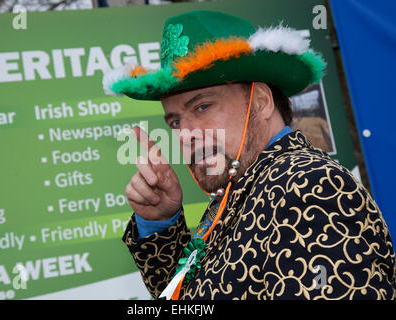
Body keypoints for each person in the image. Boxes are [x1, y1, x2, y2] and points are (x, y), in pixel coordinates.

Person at [105, 10, 396, 299]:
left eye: (202, 107)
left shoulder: (306, 185)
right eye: (176, 122)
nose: (185, 134)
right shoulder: (240, 188)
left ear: (261, 102)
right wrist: (161, 220)